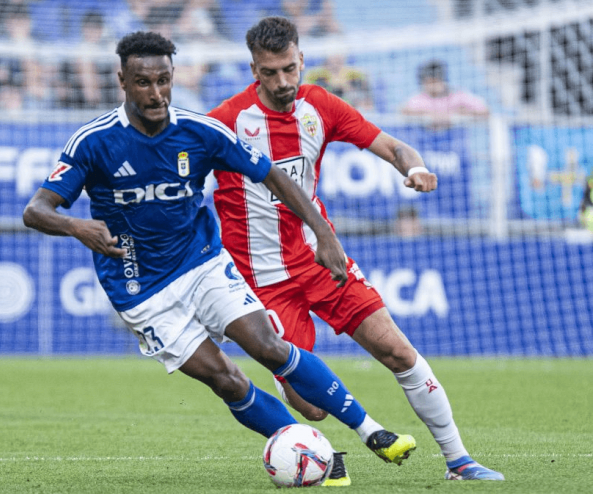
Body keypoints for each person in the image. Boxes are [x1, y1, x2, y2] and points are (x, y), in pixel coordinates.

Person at [22, 31, 417, 479]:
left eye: (164, 80)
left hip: (202, 263)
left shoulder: (201, 131)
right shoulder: (94, 142)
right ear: (123, 82)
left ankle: (372, 432)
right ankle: (319, 454)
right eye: (144, 82)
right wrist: (76, 226)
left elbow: (272, 175)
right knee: (225, 379)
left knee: (269, 347)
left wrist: (323, 233)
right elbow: (36, 210)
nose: (156, 93)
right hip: (139, 288)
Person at [207, 16, 504, 482]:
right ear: (254, 70)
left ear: (302, 59)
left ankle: (459, 461)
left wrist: (417, 168)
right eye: (270, 73)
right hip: (261, 279)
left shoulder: (319, 106)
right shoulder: (227, 122)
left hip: (321, 257)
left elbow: (393, 146)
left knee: (398, 352)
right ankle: (314, 437)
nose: (283, 82)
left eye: (290, 68)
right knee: (312, 408)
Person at [401, 59, 489, 129]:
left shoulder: (458, 95)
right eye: (427, 83)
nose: (431, 86)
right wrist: (431, 115)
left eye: (434, 82)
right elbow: (404, 112)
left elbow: (484, 111)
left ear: (442, 80)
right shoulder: (419, 98)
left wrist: (459, 113)